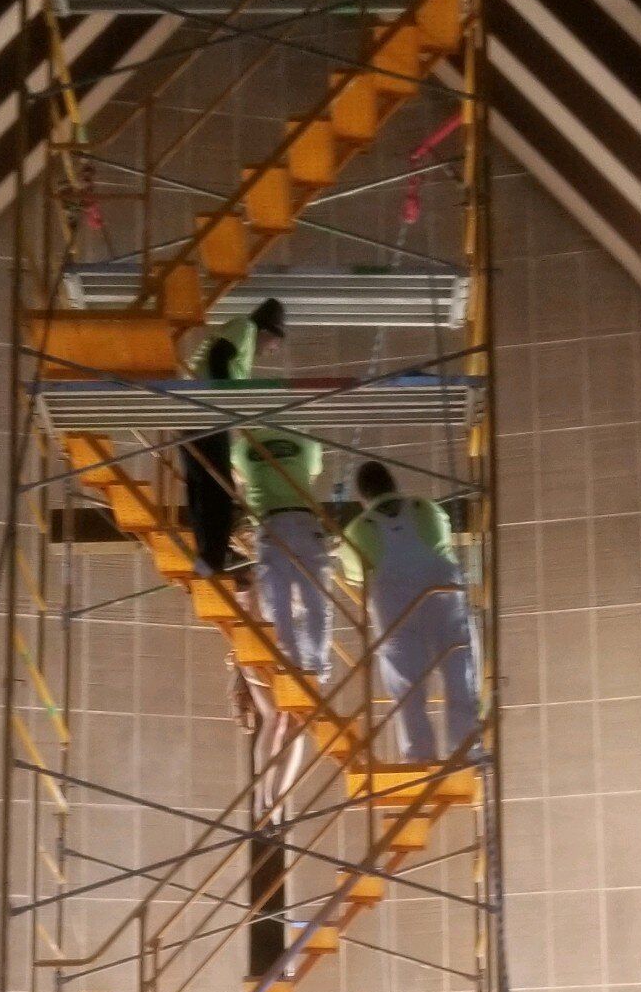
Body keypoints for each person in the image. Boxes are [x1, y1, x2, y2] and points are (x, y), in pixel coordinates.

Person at [340, 458, 480, 763]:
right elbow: (442, 541)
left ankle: (419, 756)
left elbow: (355, 575)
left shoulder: (358, 530)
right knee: (460, 669)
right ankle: (466, 748)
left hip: (395, 607)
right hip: (443, 595)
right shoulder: (426, 509)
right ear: (393, 483)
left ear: (362, 496)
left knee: (406, 686)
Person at [181, 295, 284, 576]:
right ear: (268, 331)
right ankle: (214, 555)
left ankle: (208, 554)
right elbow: (219, 356)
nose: (272, 351)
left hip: (192, 412)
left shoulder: (243, 338)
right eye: (275, 344)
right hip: (207, 411)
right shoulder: (245, 328)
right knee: (218, 485)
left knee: (201, 484)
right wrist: (225, 400)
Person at [234, 413, 329, 683]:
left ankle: (291, 667)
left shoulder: (242, 447)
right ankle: (317, 671)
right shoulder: (306, 442)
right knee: (315, 601)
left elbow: (238, 478)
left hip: (270, 526)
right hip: (306, 523)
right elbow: (311, 474)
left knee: (277, 604)